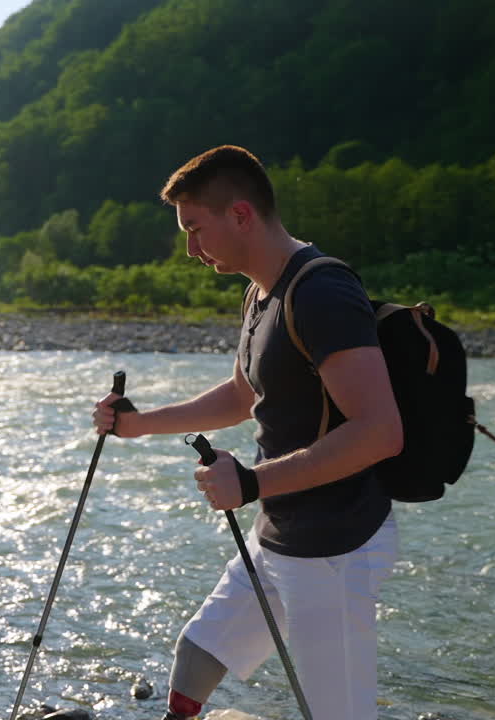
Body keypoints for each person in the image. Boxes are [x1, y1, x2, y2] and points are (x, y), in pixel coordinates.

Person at [92, 145, 403, 720]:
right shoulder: (262, 292)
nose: (190, 248)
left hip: (335, 548)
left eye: (195, 229)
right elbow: (242, 396)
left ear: (240, 214)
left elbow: (381, 431)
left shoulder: (322, 292)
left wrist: (254, 482)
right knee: (197, 657)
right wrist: (136, 426)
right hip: (279, 532)